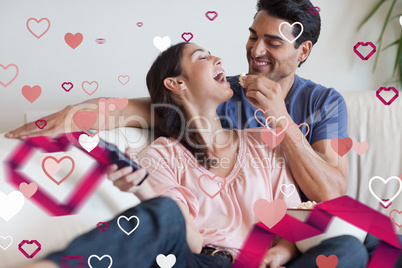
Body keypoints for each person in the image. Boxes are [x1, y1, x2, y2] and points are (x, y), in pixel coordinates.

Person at [6, 0, 401, 266]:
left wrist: (280, 119)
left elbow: (332, 196)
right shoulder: (206, 106)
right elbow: (132, 108)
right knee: (163, 213)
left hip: (289, 241)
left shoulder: (319, 105)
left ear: (304, 51)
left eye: (273, 42)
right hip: (208, 254)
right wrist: (71, 114)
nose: (255, 50)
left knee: (364, 236)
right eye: (253, 35)